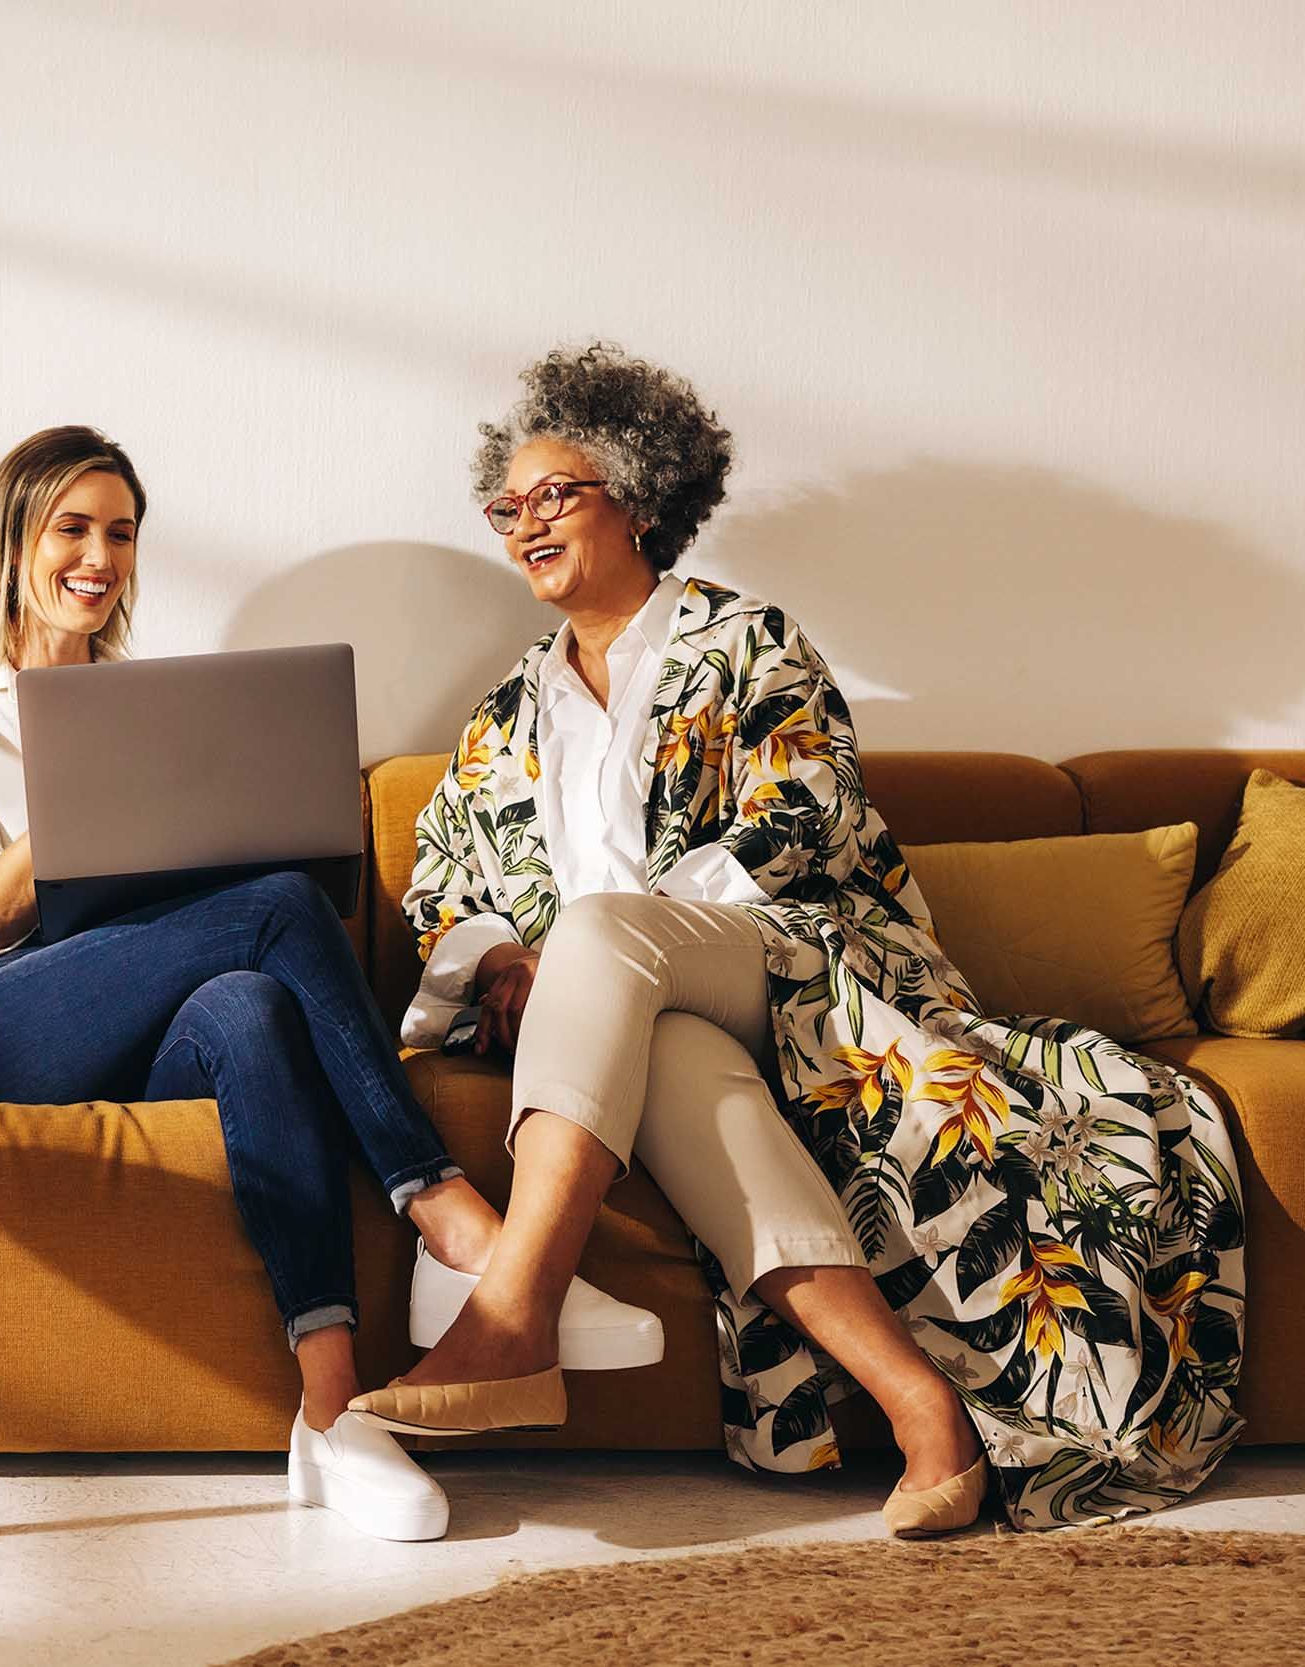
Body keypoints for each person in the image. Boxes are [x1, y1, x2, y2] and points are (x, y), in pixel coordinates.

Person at [354, 343, 1245, 1533]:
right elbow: (446, 883)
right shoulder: (504, 714)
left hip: (792, 965)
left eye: (554, 492)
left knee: (610, 932)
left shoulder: (747, 641)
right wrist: (506, 958)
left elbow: (802, 816)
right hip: (641, 1011)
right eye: (505, 503)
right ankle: (921, 1408)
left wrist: (592, 942)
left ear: (641, 496)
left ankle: (513, 1304)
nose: (523, 520)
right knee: (659, 1043)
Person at [0, 424, 664, 1543]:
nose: (100, 555)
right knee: (280, 908)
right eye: (72, 528)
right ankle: (456, 1224)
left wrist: (209, 789)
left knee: (249, 1003)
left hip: (150, 1004)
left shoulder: (153, 706)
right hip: (4, 1015)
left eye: (122, 531)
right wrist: (103, 774)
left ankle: (333, 1413)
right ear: (13, 543)